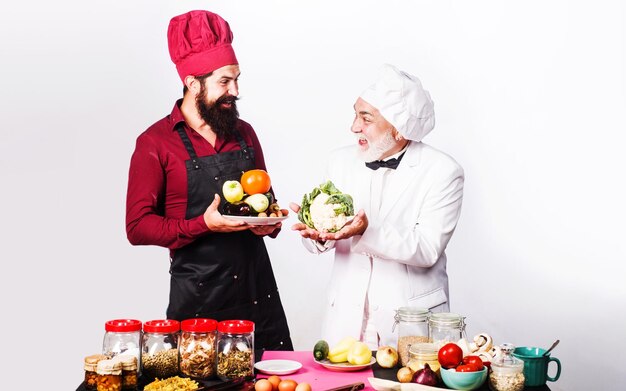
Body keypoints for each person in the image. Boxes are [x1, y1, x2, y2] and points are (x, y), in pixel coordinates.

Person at [125, 10, 293, 350]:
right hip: (198, 300)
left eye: (237, 79)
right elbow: (137, 227)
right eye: (224, 82)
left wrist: (269, 225)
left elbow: (267, 204)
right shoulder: (156, 143)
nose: (235, 91)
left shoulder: (244, 134)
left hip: (257, 293)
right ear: (192, 83)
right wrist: (202, 224)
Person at [291, 64, 464, 349]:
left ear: (398, 128)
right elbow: (323, 239)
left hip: (411, 324)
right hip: (347, 323)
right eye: (355, 114)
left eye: (366, 118)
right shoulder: (339, 161)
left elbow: (427, 249)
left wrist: (364, 231)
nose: (354, 127)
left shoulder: (443, 171)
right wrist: (316, 234)